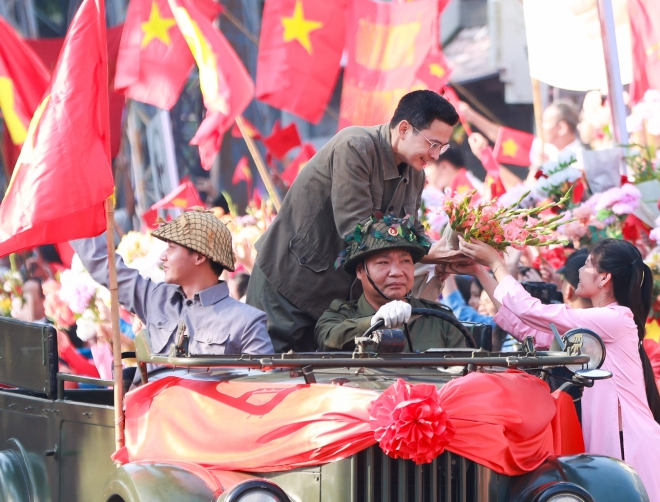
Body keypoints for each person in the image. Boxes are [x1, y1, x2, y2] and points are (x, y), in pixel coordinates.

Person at [460, 237, 660, 502]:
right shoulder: (600, 324)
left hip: (634, 448)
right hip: (621, 445)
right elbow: (528, 329)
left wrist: (496, 263)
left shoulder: (616, 319)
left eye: (589, 264)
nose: (580, 269)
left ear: (605, 278)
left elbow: (531, 310)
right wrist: (481, 272)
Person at [248, 90, 461, 353]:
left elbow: (412, 231)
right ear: (404, 129)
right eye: (433, 144)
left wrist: (441, 251)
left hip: (335, 299)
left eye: (442, 147)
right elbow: (358, 231)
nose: (437, 155)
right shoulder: (356, 145)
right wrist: (427, 252)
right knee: (271, 376)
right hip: (288, 284)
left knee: (322, 384)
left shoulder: (414, 171)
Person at [70, 211, 273, 358]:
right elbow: (103, 265)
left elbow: (262, 393)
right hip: (151, 415)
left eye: (171, 247)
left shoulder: (246, 322)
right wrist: (72, 207)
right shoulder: (154, 298)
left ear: (200, 257)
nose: (162, 256)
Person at [314, 216, 468, 352]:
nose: (397, 272)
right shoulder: (339, 316)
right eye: (383, 262)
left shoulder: (440, 319)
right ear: (361, 271)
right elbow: (328, 337)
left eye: (405, 261)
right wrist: (373, 322)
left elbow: (463, 377)